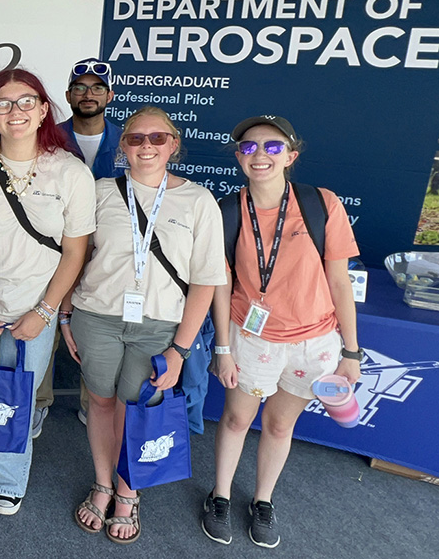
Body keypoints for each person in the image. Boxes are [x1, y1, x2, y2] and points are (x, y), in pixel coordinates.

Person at [62, 107, 224, 544]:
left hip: (158, 326)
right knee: (99, 403)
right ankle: (101, 482)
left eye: (157, 138)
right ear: (122, 146)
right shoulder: (99, 192)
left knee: (134, 410)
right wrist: (63, 314)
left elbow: (206, 281)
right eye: (135, 138)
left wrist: (181, 350)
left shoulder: (198, 200)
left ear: (174, 143)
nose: (146, 146)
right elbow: (73, 257)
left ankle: (127, 493)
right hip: (96, 317)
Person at [201, 115, 361, 549]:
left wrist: (351, 351)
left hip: (314, 343)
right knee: (236, 419)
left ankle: (263, 500)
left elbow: (340, 281)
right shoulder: (228, 210)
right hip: (252, 339)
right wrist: (222, 347)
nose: (260, 155)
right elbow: (221, 284)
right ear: (239, 157)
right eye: (250, 147)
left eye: (272, 148)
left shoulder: (320, 204)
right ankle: (218, 495)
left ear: (291, 156)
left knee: (278, 426)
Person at [0, 68, 94, 516]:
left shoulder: (70, 172)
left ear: (44, 110)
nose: (16, 111)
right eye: (4, 104)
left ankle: (11, 480)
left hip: (37, 309)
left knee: (19, 398)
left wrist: (46, 311)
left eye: (26, 101)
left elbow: (75, 252)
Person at [32, 57, 122, 436]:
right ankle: (38, 401)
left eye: (97, 87)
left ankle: (93, 402)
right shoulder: (47, 137)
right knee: (46, 324)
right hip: (56, 248)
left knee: (95, 328)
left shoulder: (129, 139)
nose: (89, 94)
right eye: (80, 88)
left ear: (109, 94)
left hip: (107, 253)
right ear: (68, 95)